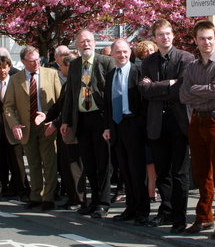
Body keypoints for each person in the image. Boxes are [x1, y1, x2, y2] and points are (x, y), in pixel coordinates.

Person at [180, 20, 215, 239]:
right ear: (196, 41)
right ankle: (204, 217)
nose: (206, 42)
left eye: (210, 38)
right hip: (197, 120)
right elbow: (184, 95)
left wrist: (195, 89)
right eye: (202, 38)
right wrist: (202, 90)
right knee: (201, 172)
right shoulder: (191, 67)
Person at [139, 19, 194, 234]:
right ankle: (166, 210)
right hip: (157, 123)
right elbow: (143, 89)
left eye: (168, 33)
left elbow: (180, 89)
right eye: (161, 34)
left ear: (173, 35)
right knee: (162, 172)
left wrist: (155, 88)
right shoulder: (148, 62)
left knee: (180, 172)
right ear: (154, 38)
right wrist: (165, 85)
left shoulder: (185, 59)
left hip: (179, 123)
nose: (165, 37)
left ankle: (180, 217)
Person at [61, 29, 115, 218]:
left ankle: (103, 202)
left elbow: (110, 95)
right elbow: (70, 95)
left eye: (89, 41)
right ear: (77, 45)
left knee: (103, 163)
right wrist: (66, 120)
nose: (86, 44)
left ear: (94, 42)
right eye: (82, 41)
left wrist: (110, 123)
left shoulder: (105, 62)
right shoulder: (75, 65)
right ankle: (92, 201)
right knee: (88, 163)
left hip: (100, 118)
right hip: (82, 120)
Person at [4, 46, 61, 211]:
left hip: (46, 124)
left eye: (38, 59)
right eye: (31, 61)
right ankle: (36, 195)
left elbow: (60, 101)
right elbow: (8, 106)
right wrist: (14, 123)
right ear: (23, 62)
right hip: (26, 126)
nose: (36, 63)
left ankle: (49, 197)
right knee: (33, 162)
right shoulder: (16, 79)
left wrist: (54, 120)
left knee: (49, 162)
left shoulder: (51, 74)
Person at [103, 39, 150, 225]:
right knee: (124, 170)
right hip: (117, 126)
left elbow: (144, 102)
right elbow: (107, 104)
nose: (122, 55)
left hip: (134, 125)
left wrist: (141, 124)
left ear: (130, 53)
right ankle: (130, 208)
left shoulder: (138, 72)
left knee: (137, 170)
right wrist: (107, 126)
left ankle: (142, 210)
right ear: (112, 54)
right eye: (118, 52)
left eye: (125, 52)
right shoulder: (111, 74)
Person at [0, 56, 29, 203]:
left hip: (13, 126)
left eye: (4, 67)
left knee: (17, 160)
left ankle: (22, 190)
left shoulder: (16, 83)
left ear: (9, 67)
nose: (2, 70)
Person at [44, 53, 86, 210]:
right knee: (66, 165)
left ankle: (78, 198)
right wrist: (46, 117)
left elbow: (71, 110)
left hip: (73, 130)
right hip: (64, 131)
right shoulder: (68, 83)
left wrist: (55, 123)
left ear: (70, 66)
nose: (59, 69)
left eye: (61, 66)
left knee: (74, 165)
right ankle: (72, 197)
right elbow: (59, 105)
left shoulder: (78, 83)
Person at [134, 40, 158, 202]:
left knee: (153, 159)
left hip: (156, 117)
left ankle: (153, 191)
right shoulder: (139, 70)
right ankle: (149, 192)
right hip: (142, 119)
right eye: (145, 51)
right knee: (146, 159)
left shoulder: (156, 69)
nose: (148, 53)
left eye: (151, 50)